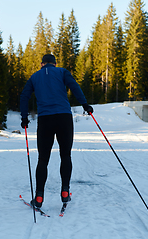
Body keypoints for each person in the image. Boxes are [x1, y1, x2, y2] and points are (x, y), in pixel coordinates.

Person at [20, 54, 93, 208]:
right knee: (65, 155)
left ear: (41, 64)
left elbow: (24, 96)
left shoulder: (35, 77)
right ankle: (65, 191)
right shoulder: (62, 72)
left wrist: (24, 117)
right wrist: (85, 105)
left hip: (45, 119)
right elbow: (74, 87)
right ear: (54, 63)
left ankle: (39, 197)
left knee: (43, 159)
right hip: (64, 118)